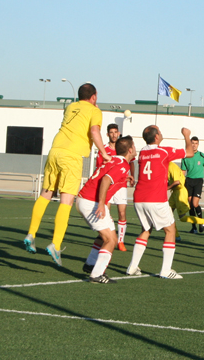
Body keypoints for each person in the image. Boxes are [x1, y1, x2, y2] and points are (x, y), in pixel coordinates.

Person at [23, 83, 110, 267]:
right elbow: (94, 131)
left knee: (45, 194)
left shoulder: (70, 106)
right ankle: (55, 244)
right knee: (66, 201)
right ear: (94, 96)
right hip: (72, 156)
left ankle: (31, 234)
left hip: (55, 151)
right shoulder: (95, 110)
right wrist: (103, 152)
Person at [125, 125, 193, 279]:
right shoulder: (163, 151)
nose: (161, 134)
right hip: (156, 198)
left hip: (139, 198)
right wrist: (186, 136)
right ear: (156, 137)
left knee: (145, 230)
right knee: (170, 230)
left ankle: (132, 266)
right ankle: (166, 270)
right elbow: (189, 152)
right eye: (160, 133)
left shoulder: (142, 152)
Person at [77, 136, 136, 284]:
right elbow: (105, 180)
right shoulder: (122, 165)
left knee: (107, 235)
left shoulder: (115, 160)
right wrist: (102, 203)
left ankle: (90, 264)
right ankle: (96, 274)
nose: (135, 149)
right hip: (92, 202)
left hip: (86, 199)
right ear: (130, 150)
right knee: (111, 240)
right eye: (134, 146)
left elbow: (107, 176)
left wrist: (123, 179)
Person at [97, 123, 130, 251]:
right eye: (111, 132)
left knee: (122, 212)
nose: (114, 134)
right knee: (106, 213)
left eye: (116, 132)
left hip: (121, 185)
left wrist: (129, 175)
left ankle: (121, 241)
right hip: (109, 186)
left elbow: (129, 163)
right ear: (107, 134)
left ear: (119, 133)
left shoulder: (122, 148)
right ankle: (107, 237)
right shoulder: (103, 150)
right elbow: (100, 167)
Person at [168, 161, 204, 236]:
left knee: (182, 218)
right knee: (167, 214)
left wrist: (166, 188)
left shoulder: (172, 166)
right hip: (174, 192)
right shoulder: (164, 167)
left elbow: (177, 182)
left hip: (180, 193)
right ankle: (176, 236)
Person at [181, 136, 204, 234]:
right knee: (190, 205)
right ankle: (194, 228)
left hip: (198, 181)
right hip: (188, 181)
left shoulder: (202, 156)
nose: (194, 145)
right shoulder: (185, 157)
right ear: (190, 144)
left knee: (195, 204)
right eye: (192, 143)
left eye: (196, 143)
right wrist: (180, 184)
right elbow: (183, 171)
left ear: (198, 144)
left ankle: (201, 222)